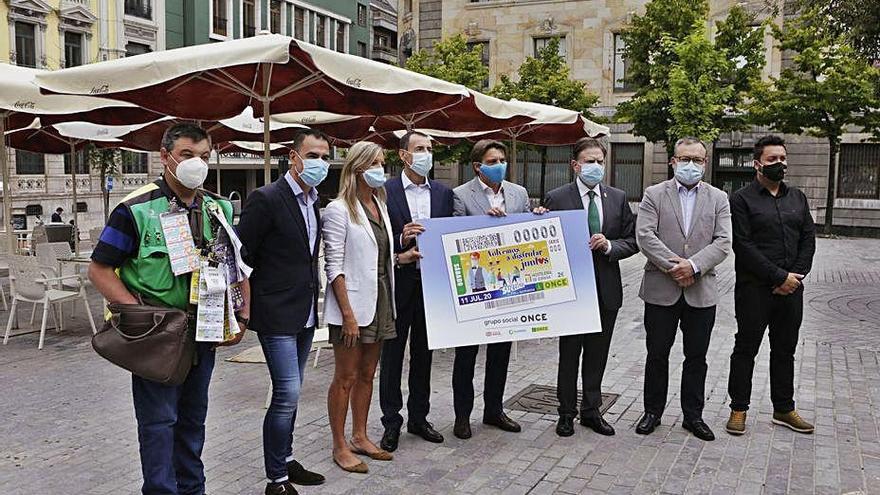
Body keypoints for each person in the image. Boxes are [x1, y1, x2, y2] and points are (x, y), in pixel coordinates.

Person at [88, 123, 247, 494]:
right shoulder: (136, 209)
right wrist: (137, 316)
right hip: (156, 336)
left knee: (193, 424)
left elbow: (234, 265)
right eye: (188, 155)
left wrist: (239, 316)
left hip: (203, 331)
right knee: (159, 425)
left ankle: (194, 490)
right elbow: (99, 269)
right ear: (165, 156)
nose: (197, 164)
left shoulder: (217, 207)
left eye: (204, 157)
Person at [237, 129, 330, 495]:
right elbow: (243, 256)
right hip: (276, 312)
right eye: (313, 155)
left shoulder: (313, 200)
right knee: (287, 393)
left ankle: (287, 459)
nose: (320, 163)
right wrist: (247, 305)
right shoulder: (267, 198)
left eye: (325, 156)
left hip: (306, 311)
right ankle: (276, 480)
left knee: (294, 389)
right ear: (293, 157)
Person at [635, 137, 732, 442]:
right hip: (661, 289)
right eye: (684, 159)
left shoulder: (719, 198)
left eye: (697, 160)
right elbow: (645, 235)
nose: (691, 165)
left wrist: (693, 266)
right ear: (673, 161)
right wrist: (674, 267)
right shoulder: (654, 194)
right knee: (657, 354)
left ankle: (693, 415)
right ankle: (652, 411)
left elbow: (723, 242)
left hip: (701, 291)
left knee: (696, 357)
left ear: (705, 163)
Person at [323, 141, 411, 473]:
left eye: (382, 162)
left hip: (382, 298)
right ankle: (340, 445)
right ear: (358, 167)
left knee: (367, 374)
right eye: (375, 163)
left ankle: (360, 435)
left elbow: (382, 256)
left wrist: (404, 254)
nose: (381, 169)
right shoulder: (338, 209)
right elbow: (334, 267)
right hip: (353, 305)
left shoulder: (380, 205)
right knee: (345, 376)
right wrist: (347, 314)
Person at [450, 139, 546, 440]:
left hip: (506, 288)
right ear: (478, 166)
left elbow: (524, 234)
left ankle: (494, 410)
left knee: (500, 353)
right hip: (475, 288)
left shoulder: (518, 193)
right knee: (465, 356)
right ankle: (462, 416)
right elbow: (453, 236)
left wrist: (538, 217)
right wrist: (482, 223)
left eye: (502, 159)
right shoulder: (460, 195)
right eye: (492, 161)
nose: (499, 165)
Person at [544, 137, 638, 437]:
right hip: (571, 292)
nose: (596, 166)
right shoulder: (556, 198)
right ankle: (566, 413)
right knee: (569, 354)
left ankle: (591, 411)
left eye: (600, 161)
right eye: (590, 161)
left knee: (597, 355)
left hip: (606, 289)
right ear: (575, 164)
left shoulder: (617, 197)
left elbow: (633, 240)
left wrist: (610, 245)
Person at [726, 135, 816, 436]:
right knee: (745, 349)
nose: (780, 164)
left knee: (784, 350)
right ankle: (738, 409)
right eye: (772, 160)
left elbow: (808, 239)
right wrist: (779, 277)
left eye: (782, 159)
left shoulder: (798, 198)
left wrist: (796, 276)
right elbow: (744, 245)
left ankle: (784, 408)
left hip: (792, 290)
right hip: (754, 290)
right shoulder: (740, 199)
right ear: (757, 164)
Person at [378, 131, 453, 453]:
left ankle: (419, 418)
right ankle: (391, 422)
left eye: (430, 149)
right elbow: (376, 236)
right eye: (419, 149)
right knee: (392, 356)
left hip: (432, 285)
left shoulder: (443, 193)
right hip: (400, 282)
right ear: (403, 155)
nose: (426, 154)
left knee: (424, 355)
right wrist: (401, 238)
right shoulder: (385, 190)